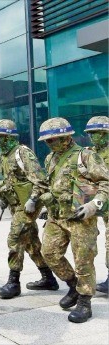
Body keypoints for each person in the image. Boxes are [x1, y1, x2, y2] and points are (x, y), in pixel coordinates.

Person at [38, 117, 109, 323]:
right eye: (47, 141)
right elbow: (52, 185)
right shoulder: (50, 159)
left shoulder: (86, 156)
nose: (50, 144)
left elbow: (106, 182)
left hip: (81, 218)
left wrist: (94, 205)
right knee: (49, 253)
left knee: (83, 260)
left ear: (67, 137)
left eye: (55, 139)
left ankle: (85, 301)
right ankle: (72, 285)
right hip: (57, 216)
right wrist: (44, 203)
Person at [0, 119, 58, 299]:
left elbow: (40, 180)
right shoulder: (4, 155)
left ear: (11, 137)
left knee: (15, 238)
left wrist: (33, 199)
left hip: (28, 204)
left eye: (1, 137)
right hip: (16, 204)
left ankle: (13, 282)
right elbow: (10, 180)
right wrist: (5, 197)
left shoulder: (22, 153)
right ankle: (48, 277)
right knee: (31, 242)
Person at [84, 116, 109, 294]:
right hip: (95, 202)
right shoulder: (89, 153)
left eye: (98, 133)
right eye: (92, 134)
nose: (94, 137)